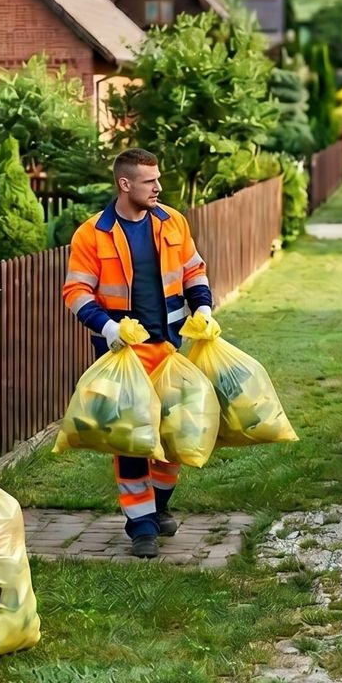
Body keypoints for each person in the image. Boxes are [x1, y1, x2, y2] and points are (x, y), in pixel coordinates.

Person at [61, 147, 213, 559]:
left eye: (157, 179)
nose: (159, 187)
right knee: (131, 440)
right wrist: (109, 328)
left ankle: (158, 505)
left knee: (175, 435)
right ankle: (141, 525)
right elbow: (75, 292)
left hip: (169, 348)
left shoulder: (172, 223)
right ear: (125, 184)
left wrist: (202, 308)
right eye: (150, 181)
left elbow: (193, 271)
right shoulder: (92, 234)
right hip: (121, 357)